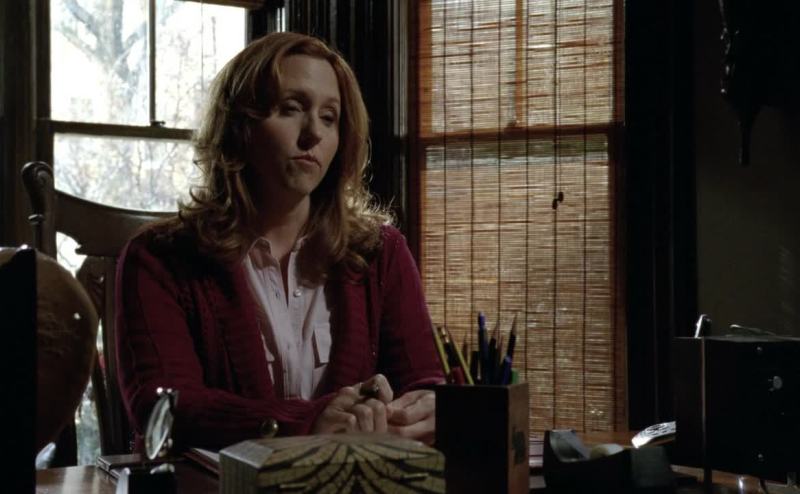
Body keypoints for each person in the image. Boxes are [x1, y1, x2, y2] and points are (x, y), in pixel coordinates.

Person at [115, 32, 444, 451]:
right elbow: (163, 410)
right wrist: (308, 423)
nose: (313, 134)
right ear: (239, 125)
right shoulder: (160, 257)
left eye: (330, 117)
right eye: (291, 109)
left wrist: (426, 407)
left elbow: (423, 381)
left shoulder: (380, 252)